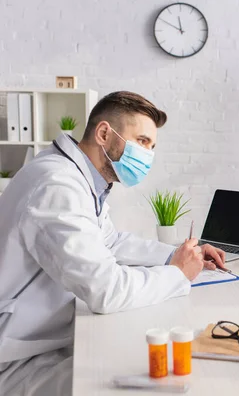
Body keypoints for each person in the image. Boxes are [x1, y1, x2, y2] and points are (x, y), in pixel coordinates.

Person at [0, 91, 226, 396]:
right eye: (143, 142)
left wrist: (178, 254)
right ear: (104, 133)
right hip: (16, 358)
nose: (148, 154)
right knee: (142, 381)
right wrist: (177, 274)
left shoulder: (79, 178)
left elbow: (109, 241)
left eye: (152, 146)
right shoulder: (57, 186)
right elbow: (105, 290)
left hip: (42, 338)